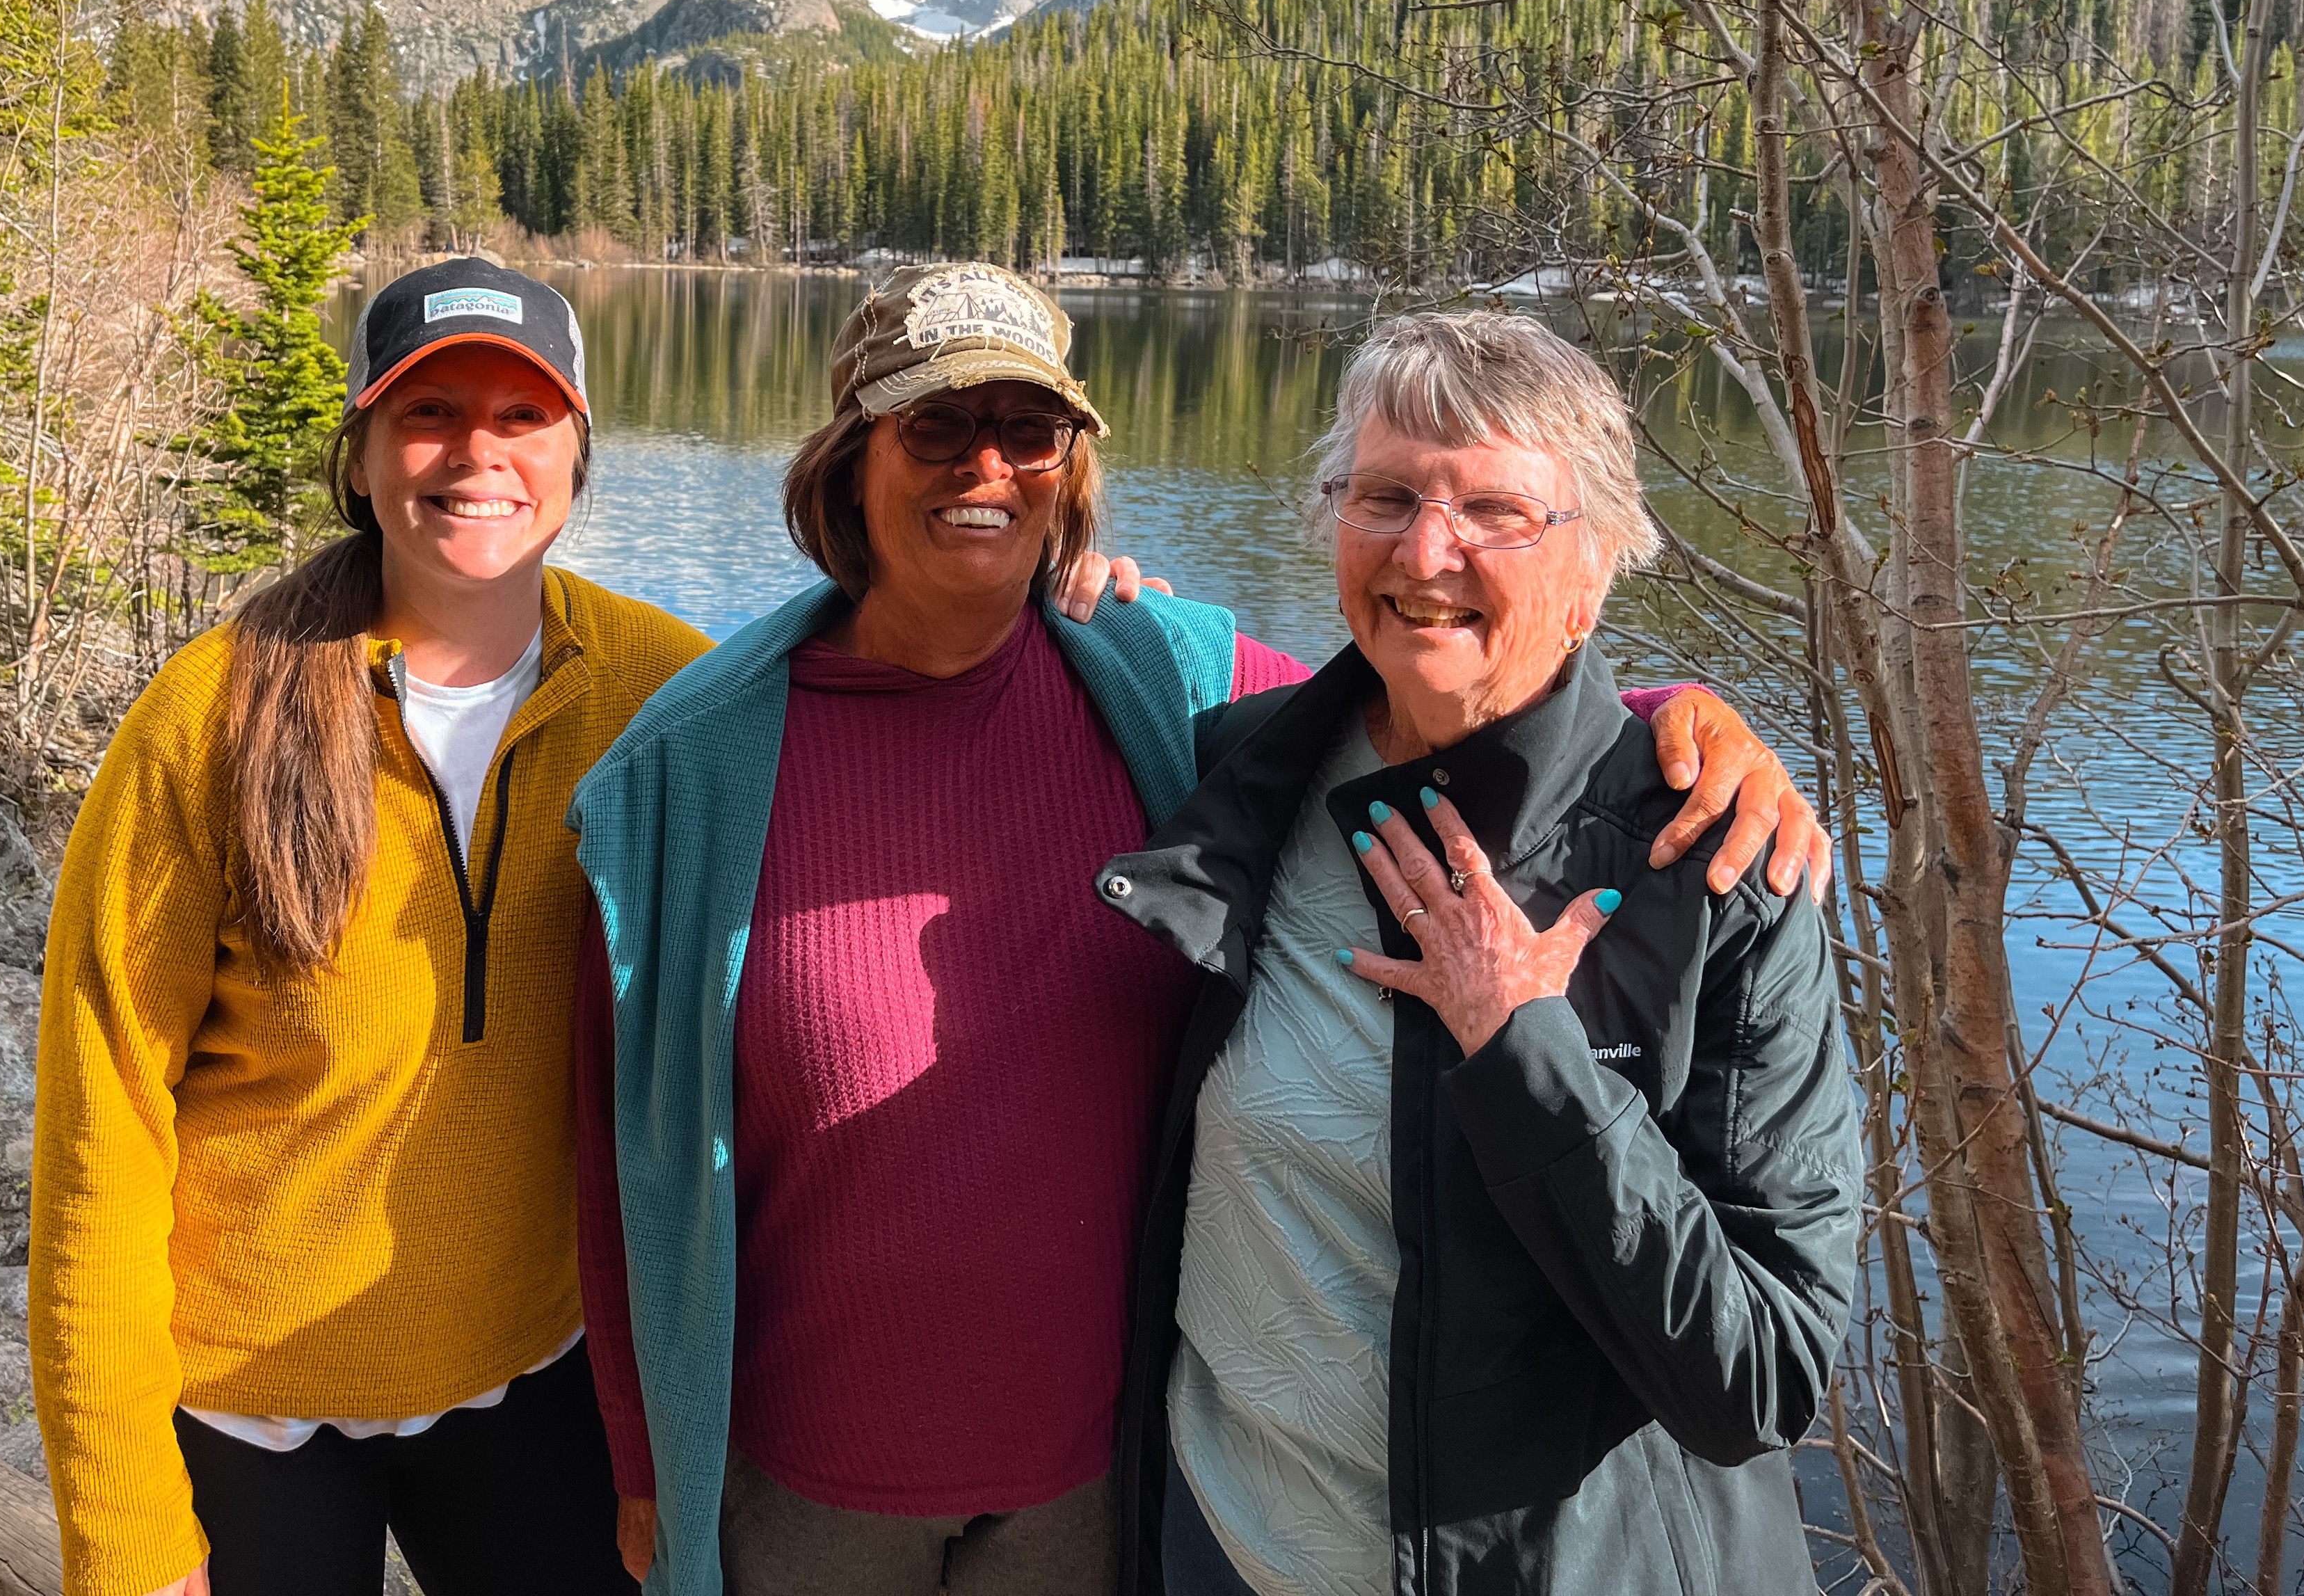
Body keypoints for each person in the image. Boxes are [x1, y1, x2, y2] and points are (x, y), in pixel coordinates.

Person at [569, 266, 1827, 1596]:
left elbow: (1466, 681)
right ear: (849, 460)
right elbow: (621, 1145)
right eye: (936, 427)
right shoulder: (705, 766)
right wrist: (640, 1460)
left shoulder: (1178, 695)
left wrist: (1673, 720)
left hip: (1117, 1491)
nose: (985, 464)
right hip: (917, 1494)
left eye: (1030, 429)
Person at [1100, 310, 1863, 1596]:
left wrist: (1525, 1048)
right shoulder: (1243, 772)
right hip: (1223, 1545)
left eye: (1496, 511)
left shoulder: (1712, 866)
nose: (1426, 550)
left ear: (1598, 565)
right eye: (1386, 496)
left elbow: (1761, 1378)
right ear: (1331, 520)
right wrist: (1079, 589)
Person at [29, 259, 712, 1596]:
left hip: (530, 1372)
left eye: (523, 418)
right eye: (430, 413)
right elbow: (100, 1129)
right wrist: (121, 1529)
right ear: (362, 455)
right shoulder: (211, 715)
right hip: (246, 1404)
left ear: (580, 453)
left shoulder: (667, 691)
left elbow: (888, 690)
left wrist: (1079, 609)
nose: (477, 455)